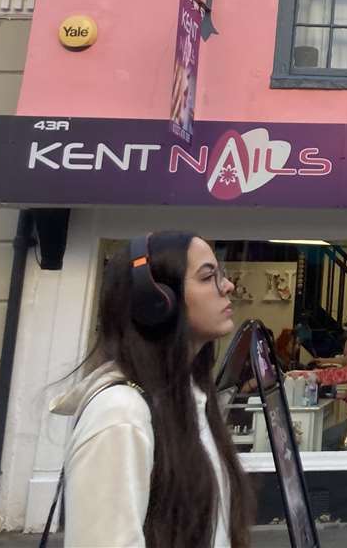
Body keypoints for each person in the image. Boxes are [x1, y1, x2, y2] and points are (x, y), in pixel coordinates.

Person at [50, 232, 252, 547]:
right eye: (208, 276)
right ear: (157, 302)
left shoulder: (190, 397)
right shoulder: (120, 414)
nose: (227, 286)